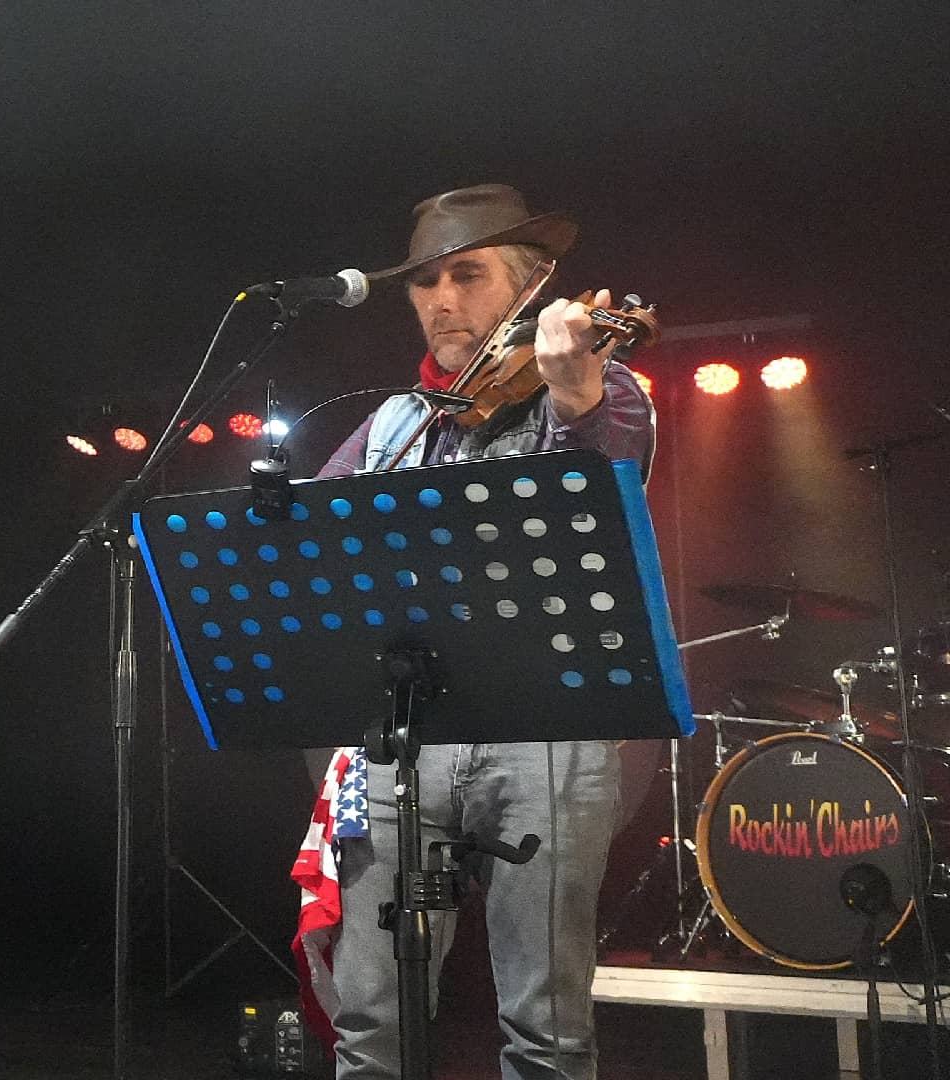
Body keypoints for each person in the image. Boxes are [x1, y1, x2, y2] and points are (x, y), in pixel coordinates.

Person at [311, 185, 655, 1080]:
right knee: (369, 1024)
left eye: (467, 275)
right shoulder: (392, 423)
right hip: (406, 736)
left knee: (546, 1031)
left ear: (534, 285)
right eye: (424, 283)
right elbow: (309, 547)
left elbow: (609, 496)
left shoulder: (600, 384)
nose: (441, 301)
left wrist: (576, 398)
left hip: (548, 732)